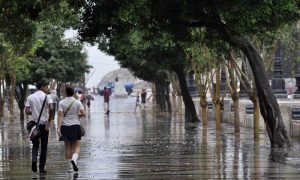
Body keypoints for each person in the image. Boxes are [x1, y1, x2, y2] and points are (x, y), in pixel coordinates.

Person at [25, 80, 53, 175]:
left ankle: (33, 160)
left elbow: (27, 111)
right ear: (42, 87)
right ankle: (41, 169)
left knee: (35, 144)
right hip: (44, 126)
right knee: (44, 146)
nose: (47, 89)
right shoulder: (47, 97)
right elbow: (52, 108)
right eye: (47, 87)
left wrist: (34, 113)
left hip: (34, 126)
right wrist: (49, 121)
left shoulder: (30, 97)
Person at [57, 85, 86, 173]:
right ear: (73, 92)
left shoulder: (61, 103)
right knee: (76, 146)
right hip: (75, 126)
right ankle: (74, 159)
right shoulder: (77, 102)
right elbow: (84, 114)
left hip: (65, 126)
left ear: (65, 93)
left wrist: (58, 127)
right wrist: (77, 115)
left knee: (68, 147)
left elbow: (60, 116)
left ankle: (70, 167)